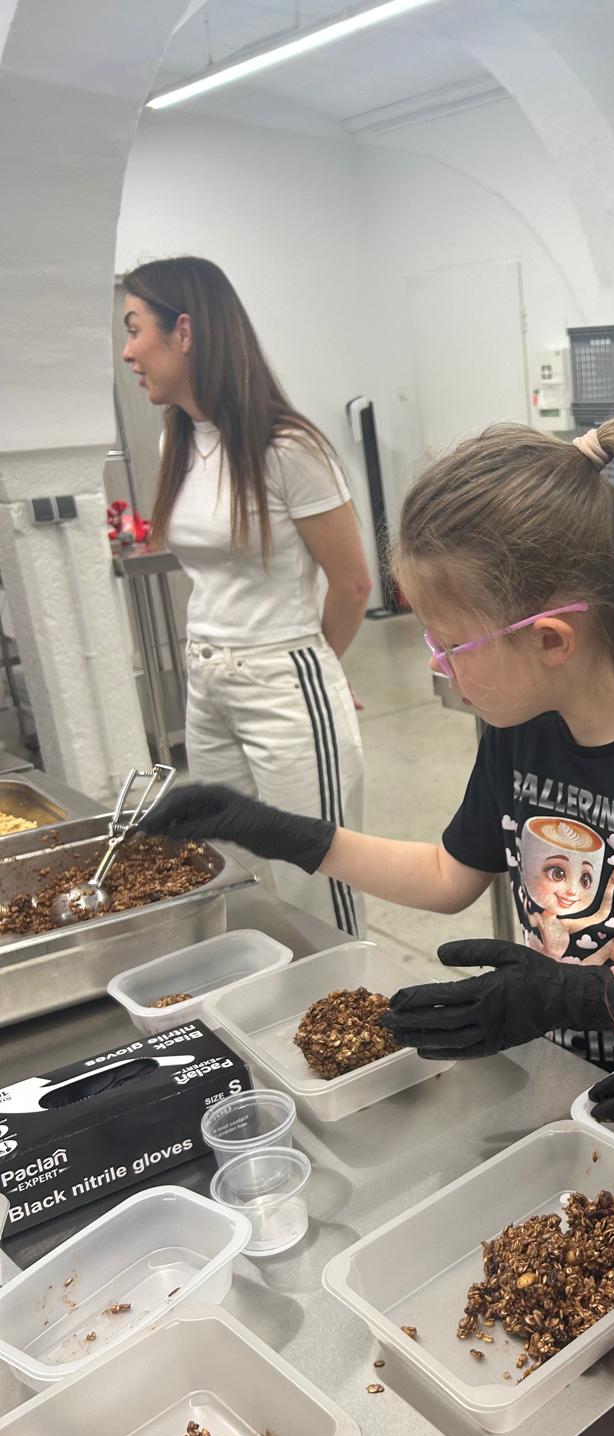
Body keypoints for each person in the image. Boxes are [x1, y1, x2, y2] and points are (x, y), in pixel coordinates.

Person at [142, 413, 614, 1436]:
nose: (435, 668)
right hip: (574, 1114)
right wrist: (282, 833)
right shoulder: (520, 731)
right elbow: (448, 873)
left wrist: (579, 990)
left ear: (549, 637)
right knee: (603, 1419)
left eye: (448, 644)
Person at [121, 256, 371, 934]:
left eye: (135, 329)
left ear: (185, 331)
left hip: (281, 681)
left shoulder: (287, 447)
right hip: (207, 679)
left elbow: (352, 583)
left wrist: (319, 667)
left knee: (314, 873)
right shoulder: (178, 439)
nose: (128, 351)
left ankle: (348, 994)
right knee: (232, 865)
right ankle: (273, 987)